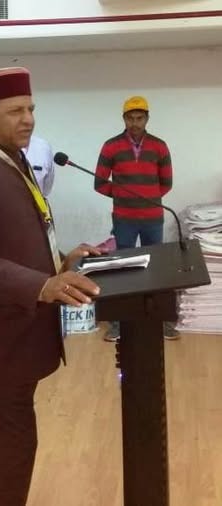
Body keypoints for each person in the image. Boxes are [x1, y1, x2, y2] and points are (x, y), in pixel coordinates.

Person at [0, 67, 101, 506]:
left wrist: (61, 260)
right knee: (5, 460)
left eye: (30, 109)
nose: (28, 119)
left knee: (13, 453)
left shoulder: (10, 159)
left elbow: (19, 237)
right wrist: (43, 285)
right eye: (15, 111)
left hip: (13, 343)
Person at [95, 95, 179, 342]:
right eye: (130, 118)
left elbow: (167, 183)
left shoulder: (159, 146)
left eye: (139, 118)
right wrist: (123, 195)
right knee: (123, 270)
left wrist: (147, 197)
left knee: (156, 269)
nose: (135, 123)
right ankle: (119, 323)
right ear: (124, 119)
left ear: (147, 119)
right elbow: (99, 182)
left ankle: (160, 321)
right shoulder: (111, 146)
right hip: (124, 219)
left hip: (153, 218)